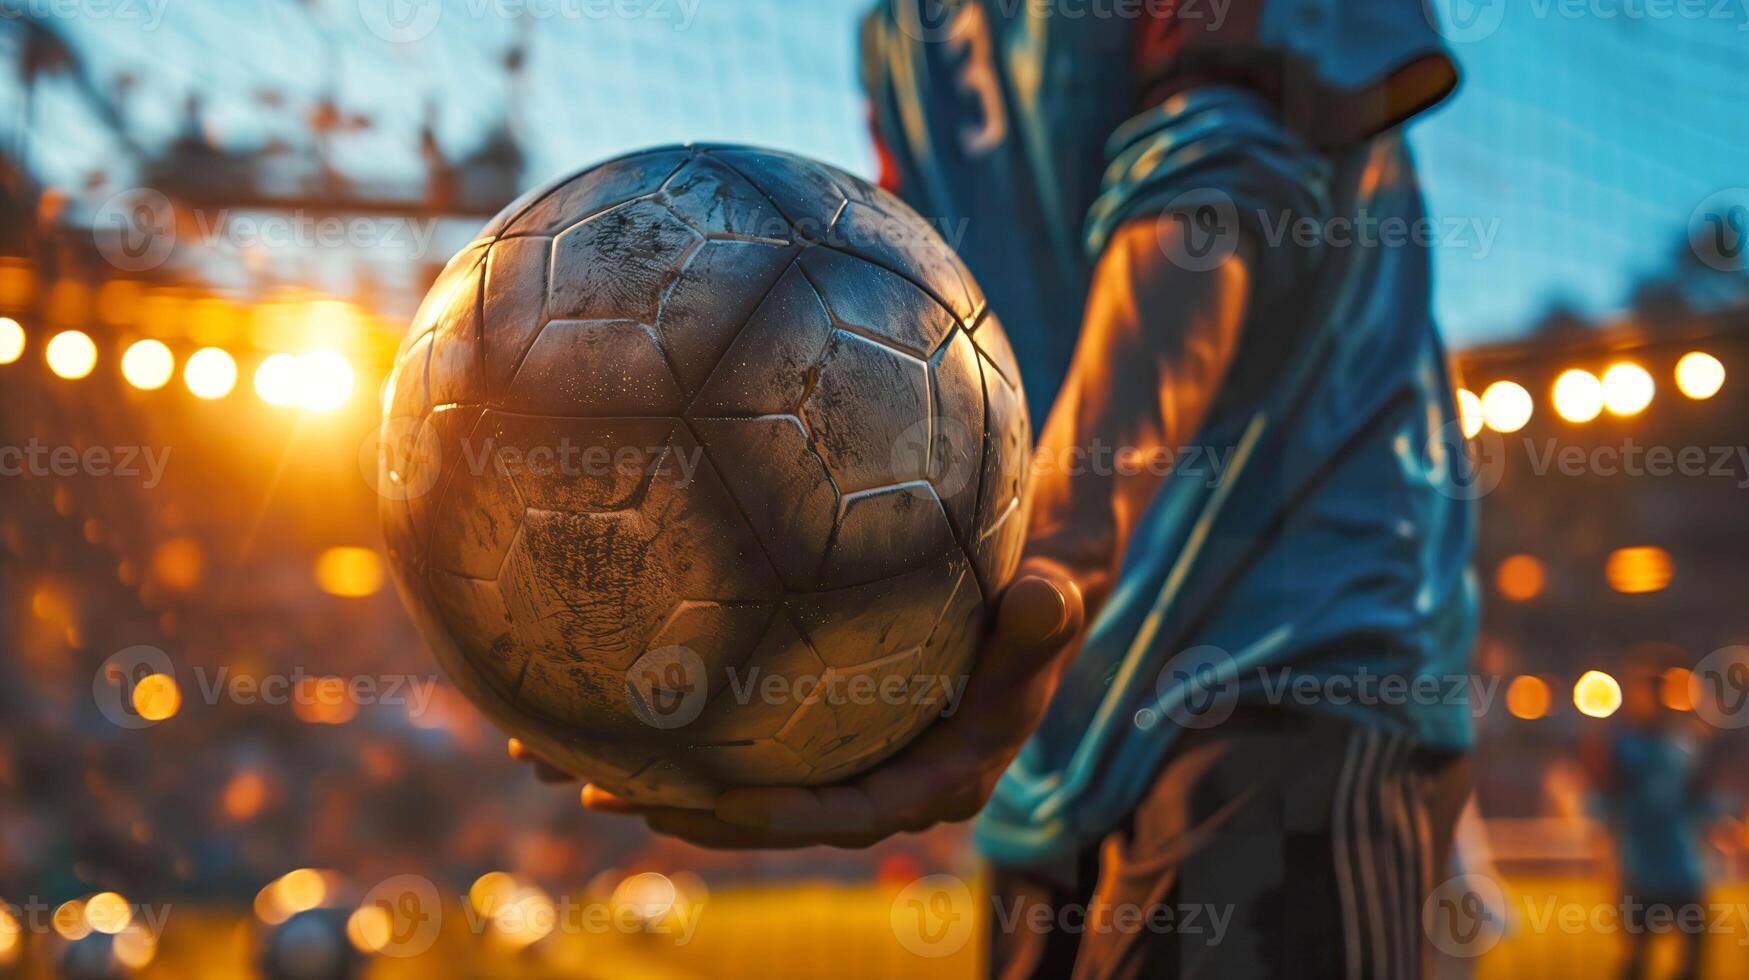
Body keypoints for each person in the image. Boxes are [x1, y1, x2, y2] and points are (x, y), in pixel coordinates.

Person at [537, 1, 1481, 975]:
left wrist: (1058, 548)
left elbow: (1214, 184)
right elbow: (923, 311)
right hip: (1044, 714)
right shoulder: (900, 32)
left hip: (1294, 645)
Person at [1585, 667, 1721, 980]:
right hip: (1641, 870)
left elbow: (1700, 800)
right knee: (1637, 959)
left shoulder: (1687, 744)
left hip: (1683, 869)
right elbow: (1607, 804)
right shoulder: (1623, 747)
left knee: (1693, 958)